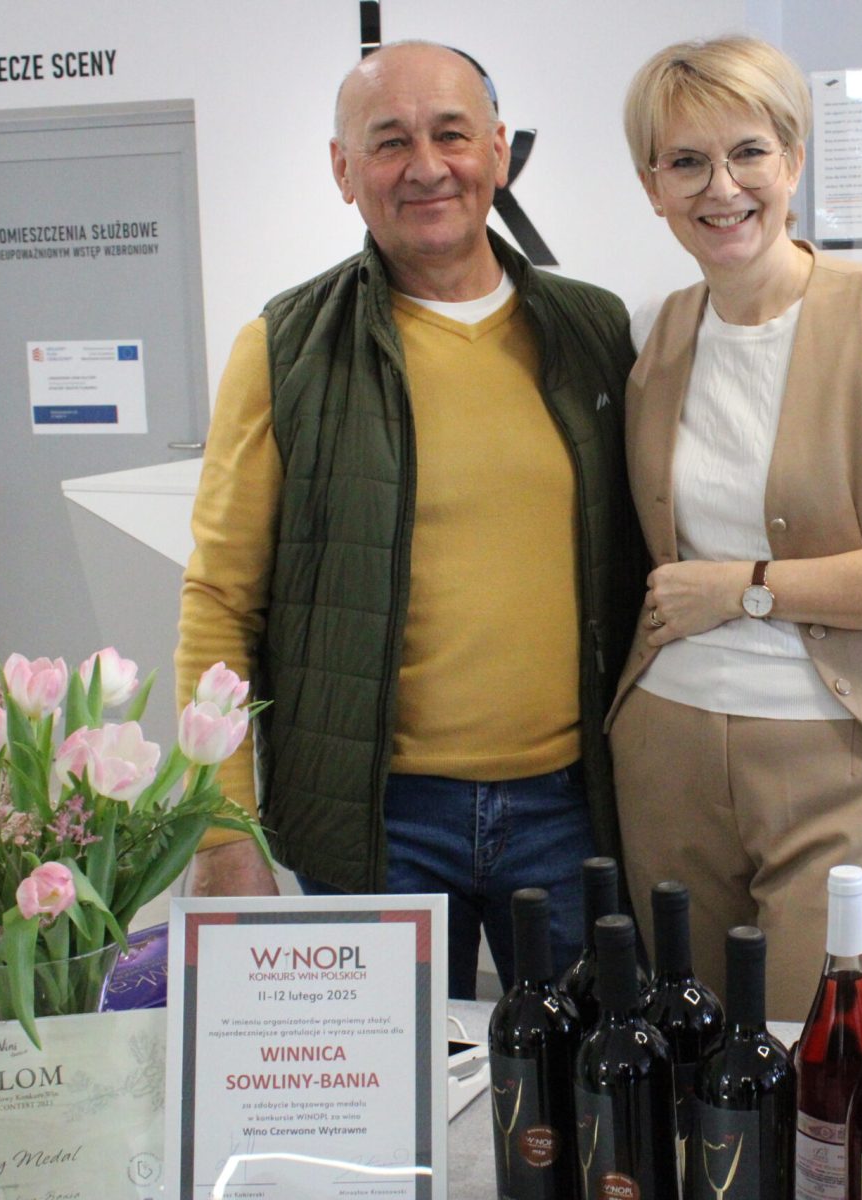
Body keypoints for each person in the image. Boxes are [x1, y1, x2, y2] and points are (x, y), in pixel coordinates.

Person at [175, 40, 641, 999]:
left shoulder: (594, 331)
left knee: (583, 1076)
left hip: (573, 812)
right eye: (389, 142)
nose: (426, 166)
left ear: (498, 152)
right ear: (343, 170)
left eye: (452, 135)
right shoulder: (285, 348)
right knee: (391, 1086)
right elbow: (220, 602)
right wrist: (221, 829)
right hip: (376, 822)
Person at [611, 35, 862, 1017]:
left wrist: (743, 588)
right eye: (686, 162)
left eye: (749, 152)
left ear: (794, 161)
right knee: (692, 1056)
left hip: (847, 754)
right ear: (653, 186)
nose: (721, 187)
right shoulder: (655, 329)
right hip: (668, 750)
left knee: (819, 1058)